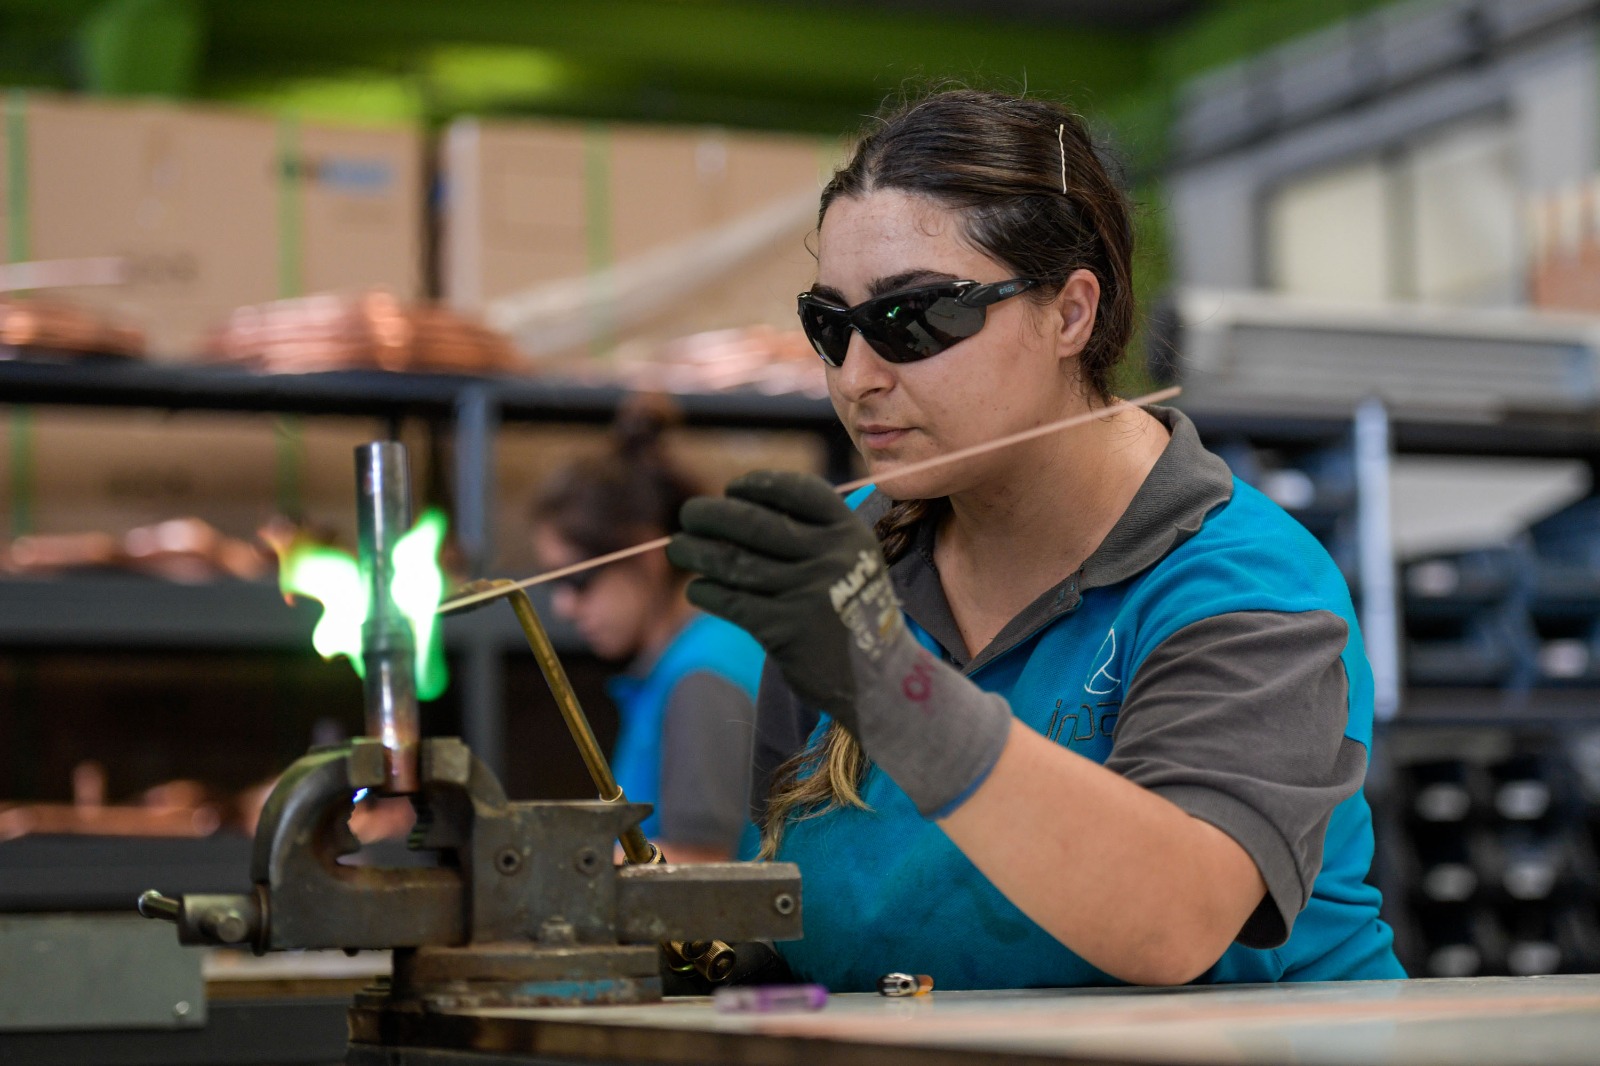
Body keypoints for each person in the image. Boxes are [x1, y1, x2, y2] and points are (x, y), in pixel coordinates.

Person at [666, 89, 1406, 989]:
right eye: (832, 326)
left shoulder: (1241, 582)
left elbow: (1172, 923)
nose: (859, 377)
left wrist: (889, 684)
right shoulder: (858, 574)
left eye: (912, 318)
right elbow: (792, 926)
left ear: (1069, 313)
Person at [531, 399, 763, 862]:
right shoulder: (692, 657)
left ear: (643, 552)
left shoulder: (703, 676)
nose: (563, 606)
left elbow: (706, 866)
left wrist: (556, 862)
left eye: (576, 581)